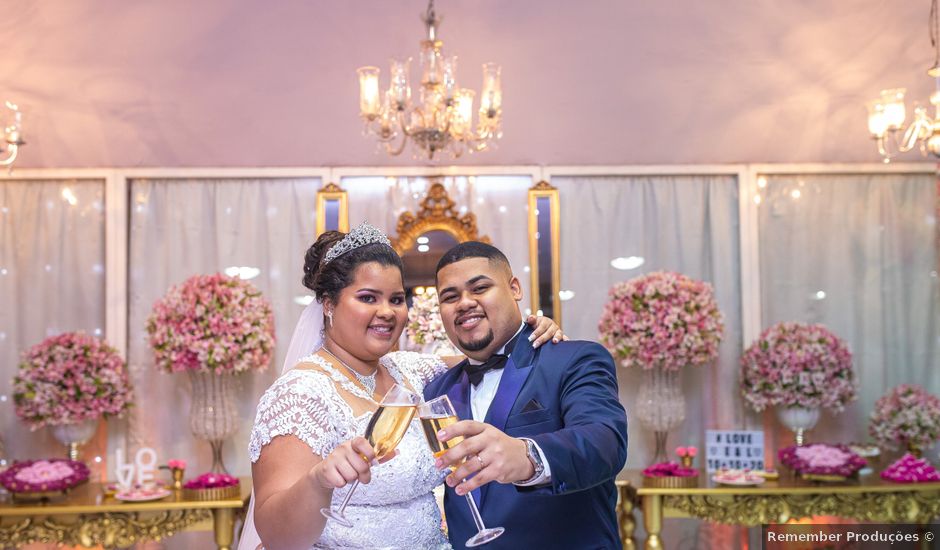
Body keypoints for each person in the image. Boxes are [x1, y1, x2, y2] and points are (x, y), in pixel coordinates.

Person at [239, 223, 565, 550]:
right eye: (368, 298)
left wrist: (532, 332)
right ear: (328, 304)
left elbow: (491, 355)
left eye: (396, 299)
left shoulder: (410, 371)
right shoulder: (299, 393)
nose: (387, 312)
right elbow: (277, 538)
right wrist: (318, 480)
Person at [424, 241, 628, 549]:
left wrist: (528, 456)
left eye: (479, 288)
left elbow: (605, 442)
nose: (464, 303)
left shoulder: (573, 359)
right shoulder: (436, 390)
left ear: (515, 288)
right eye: (450, 297)